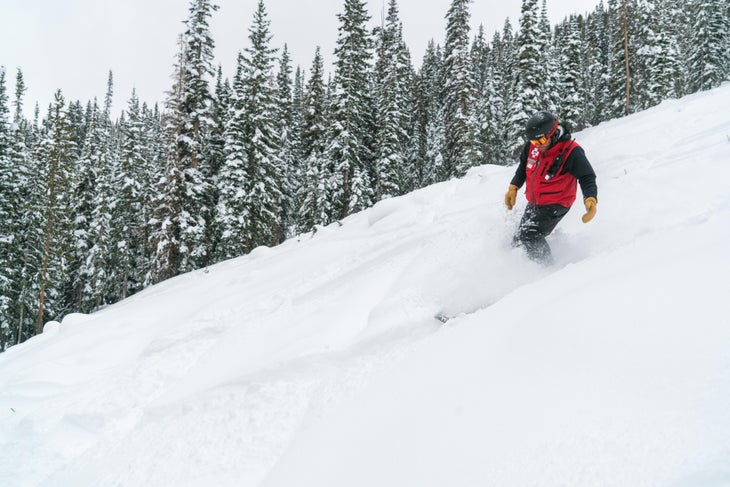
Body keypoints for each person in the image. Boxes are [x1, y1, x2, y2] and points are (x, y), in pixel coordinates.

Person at [504, 110, 598, 264]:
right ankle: (513, 265)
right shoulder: (533, 146)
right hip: (536, 201)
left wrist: (590, 198)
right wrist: (513, 187)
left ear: (553, 134)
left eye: (540, 142)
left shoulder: (572, 151)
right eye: (533, 142)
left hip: (558, 203)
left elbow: (587, 176)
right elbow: (523, 167)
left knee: (530, 235)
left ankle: (547, 270)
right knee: (519, 237)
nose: (536, 146)